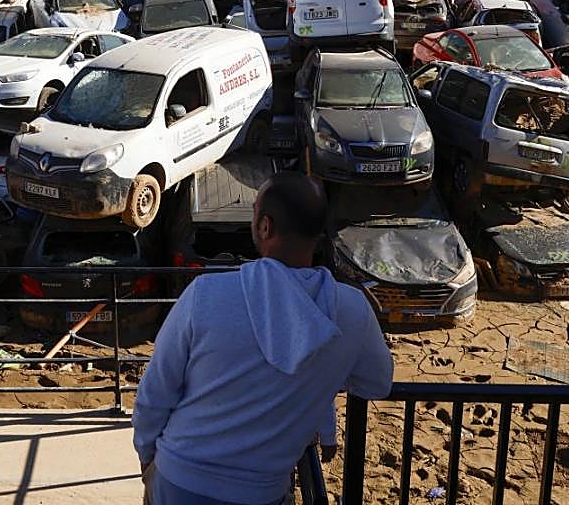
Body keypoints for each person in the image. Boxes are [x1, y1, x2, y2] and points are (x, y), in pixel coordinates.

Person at [132, 172, 394, 504]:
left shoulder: (207, 294)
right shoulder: (351, 312)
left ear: (265, 227)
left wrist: (146, 456)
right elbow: (377, 383)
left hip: (180, 479)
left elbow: (155, 393)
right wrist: (320, 384)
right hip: (262, 493)